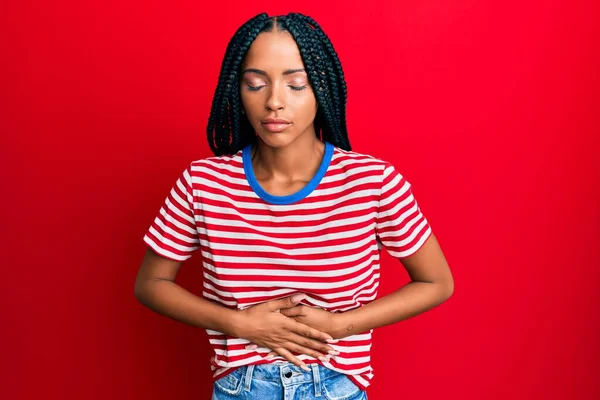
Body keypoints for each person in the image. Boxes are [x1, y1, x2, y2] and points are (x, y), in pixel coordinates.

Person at [134, 12, 454, 400]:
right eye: (255, 84)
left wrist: (341, 326)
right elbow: (150, 284)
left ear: (321, 89)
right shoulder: (204, 182)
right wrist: (240, 325)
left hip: (337, 388)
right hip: (242, 390)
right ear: (237, 91)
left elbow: (437, 282)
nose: (274, 102)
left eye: (296, 84)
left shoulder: (372, 181)